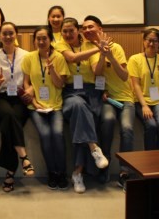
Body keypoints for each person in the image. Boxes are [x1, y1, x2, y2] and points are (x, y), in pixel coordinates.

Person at [55, 17, 108, 194]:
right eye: (65, 31)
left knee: (82, 120)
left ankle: (78, 172)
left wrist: (102, 54)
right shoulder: (60, 45)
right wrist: (98, 48)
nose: (68, 34)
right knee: (78, 106)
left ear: (78, 30)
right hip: (71, 93)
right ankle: (94, 148)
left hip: (91, 92)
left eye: (71, 30)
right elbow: (71, 58)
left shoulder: (88, 45)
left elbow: (97, 71)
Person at [85, 15, 133, 188]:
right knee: (107, 121)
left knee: (127, 128)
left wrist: (110, 55)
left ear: (100, 28)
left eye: (90, 27)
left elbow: (124, 76)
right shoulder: (90, 49)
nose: (87, 30)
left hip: (125, 98)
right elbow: (97, 72)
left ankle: (124, 171)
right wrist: (101, 54)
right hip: (108, 99)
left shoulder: (116, 47)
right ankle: (104, 167)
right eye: (84, 28)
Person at [0, 22, 34, 192]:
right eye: (4, 33)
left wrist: (30, 90)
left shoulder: (26, 55)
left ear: (16, 34)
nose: (7, 36)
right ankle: (24, 157)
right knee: (8, 116)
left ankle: (10, 173)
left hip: (20, 97)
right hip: (0, 96)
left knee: (11, 124)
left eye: (10, 33)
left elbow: (33, 79)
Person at [23, 26, 69, 190]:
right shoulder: (29, 57)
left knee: (57, 134)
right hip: (36, 106)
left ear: (50, 40)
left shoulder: (59, 57)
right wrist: (34, 102)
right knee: (45, 134)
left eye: (45, 38)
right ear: (34, 41)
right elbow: (26, 83)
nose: (41, 41)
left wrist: (52, 70)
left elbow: (60, 84)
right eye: (38, 38)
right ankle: (52, 173)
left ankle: (62, 172)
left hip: (55, 106)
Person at [128, 28, 159, 151]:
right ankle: (149, 158)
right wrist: (144, 106)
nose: (151, 43)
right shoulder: (135, 59)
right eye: (149, 40)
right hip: (140, 101)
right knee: (151, 126)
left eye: (155, 41)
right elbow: (136, 85)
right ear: (144, 41)